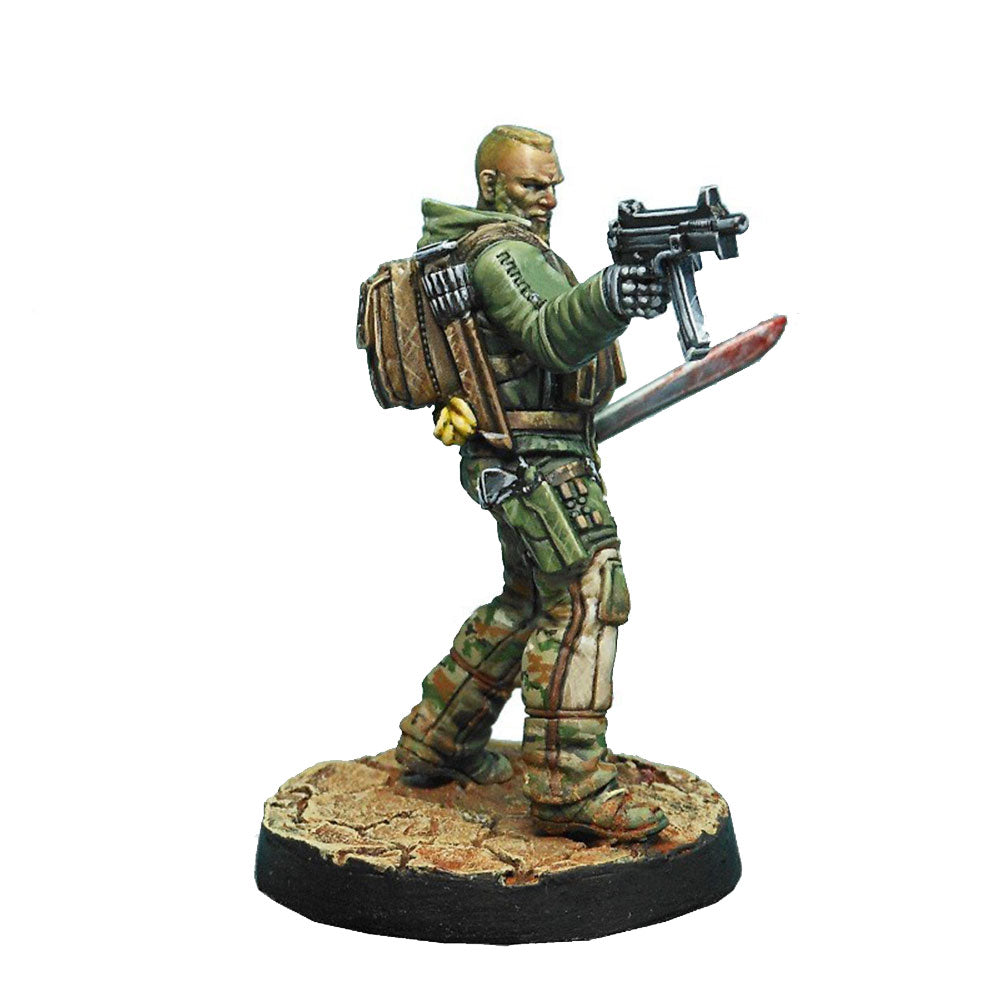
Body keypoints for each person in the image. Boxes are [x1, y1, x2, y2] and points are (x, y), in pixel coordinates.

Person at [395, 125, 671, 841]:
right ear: (491, 185)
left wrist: (611, 297)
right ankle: (569, 784)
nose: (549, 198)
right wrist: (611, 294)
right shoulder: (501, 252)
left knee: (528, 600)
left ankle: (437, 741)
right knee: (586, 595)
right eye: (532, 185)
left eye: (553, 184)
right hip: (534, 459)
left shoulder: (494, 246)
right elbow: (549, 336)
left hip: (523, 452)